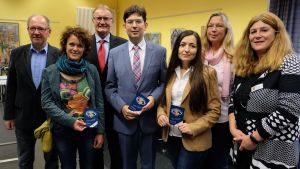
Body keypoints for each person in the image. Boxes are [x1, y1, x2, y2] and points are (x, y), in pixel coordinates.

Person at [228, 11, 300, 169]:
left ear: (277, 34)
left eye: (264, 30)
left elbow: (290, 109)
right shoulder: (245, 65)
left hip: (273, 149)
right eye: (253, 32)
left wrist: (254, 138)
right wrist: (233, 128)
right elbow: (232, 100)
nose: (257, 35)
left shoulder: (291, 62)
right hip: (241, 144)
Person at [105, 5, 167, 169]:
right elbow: (110, 87)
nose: (134, 25)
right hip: (124, 122)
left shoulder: (160, 52)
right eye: (130, 21)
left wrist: (153, 98)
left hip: (149, 122)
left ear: (145, 25)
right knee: (127, 164)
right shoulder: (114, 53)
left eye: (138, 21)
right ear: (124, 25)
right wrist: (122, 107)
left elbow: (164, 82)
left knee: (149, 164)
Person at [41, 26, 105, 169]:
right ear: (65, 45)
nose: (75, 48)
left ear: (85, 49)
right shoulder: (50, 72)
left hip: (89, 129)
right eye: (72, 44)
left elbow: (99, 102)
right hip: (62, 130)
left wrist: (100, 131)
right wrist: (71, 122)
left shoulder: (91, 70)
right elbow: (46, 103)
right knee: (67, 166)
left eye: (80, 45)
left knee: (88, 166)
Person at [157, 30, 221, 169]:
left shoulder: (208, 73)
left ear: (198, 50)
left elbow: (215, 111)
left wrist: (193, 127)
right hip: (172, 135)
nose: (187, 49)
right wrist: (161, 114)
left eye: (192, 46)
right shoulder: (171, 72)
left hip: (194, 139)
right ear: (177, 48)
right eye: (182, 45)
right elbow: (163, 103)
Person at [3, 15, 59, 169]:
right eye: (32, 28)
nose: (36, 32)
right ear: (27, 30)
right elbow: (11, 86)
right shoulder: (17, 53)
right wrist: (8, 115)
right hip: (23, 117)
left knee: (52, 159)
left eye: (40, 28)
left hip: (50, 118)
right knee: (25, 159)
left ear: (49, 31)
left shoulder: (59, 55)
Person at [85, 4, 127, 169]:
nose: (102, 21)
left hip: (116, 106)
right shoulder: (83, 44)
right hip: (91, 106)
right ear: (93, 20)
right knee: (94, 148)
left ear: (112, 20)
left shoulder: (123, 44)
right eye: (99, 18)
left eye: (106, 18)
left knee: (117, 150)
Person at [202, 12, 234, 169]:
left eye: (219, 25)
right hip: (200, 117)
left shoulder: (234, 57)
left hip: (223, 118)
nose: (213, 29)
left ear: (226, 30)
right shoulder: (199, 55)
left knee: (218, 162)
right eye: (210, 25)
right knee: (201, 160)